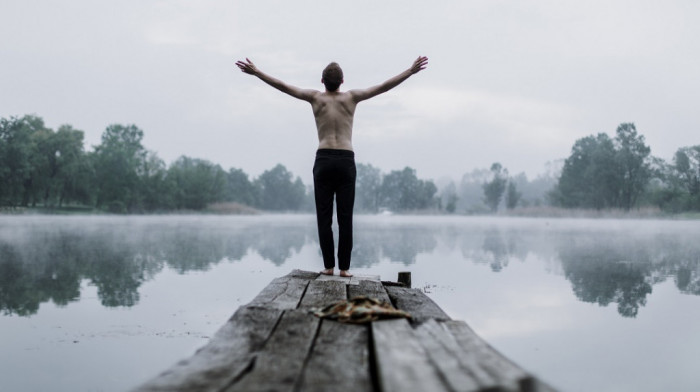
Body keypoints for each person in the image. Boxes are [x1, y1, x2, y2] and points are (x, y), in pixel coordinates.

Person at [236, 55, 428, 277]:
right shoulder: (352, 98)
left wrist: (257, 72)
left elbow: (283, 87)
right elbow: (383, 87)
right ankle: (344, 269)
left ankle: (329, 266)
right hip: (346, 160)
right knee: (345, 218)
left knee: (324, 218)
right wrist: (410, 71)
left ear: (322, 81)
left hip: (324, 159)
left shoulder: (315, 98)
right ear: (343, 81)